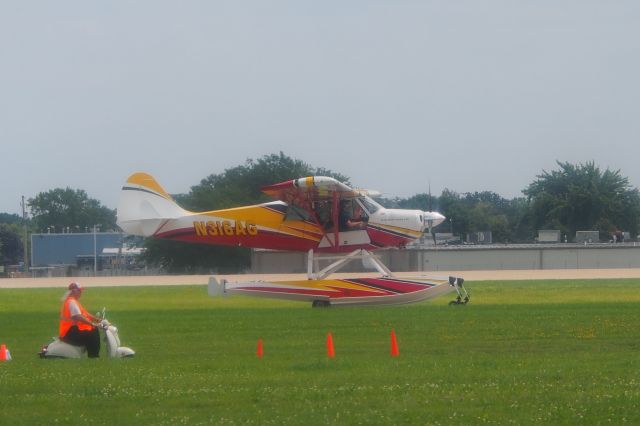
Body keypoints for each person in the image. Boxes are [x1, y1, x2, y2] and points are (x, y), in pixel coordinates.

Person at [59, 282, 101, 358]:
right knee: (92, 334)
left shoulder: (72, 301)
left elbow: (85, 314)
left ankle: (93, 355)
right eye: (80, 291)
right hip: (69, 332)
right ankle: (94, 356)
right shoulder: (71, 302)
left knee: (93, 329)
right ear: (74, 291)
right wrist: (92, 323)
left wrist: (96, 319)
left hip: (70, 330)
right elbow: (78, 316)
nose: (81, 293)